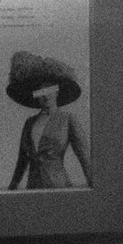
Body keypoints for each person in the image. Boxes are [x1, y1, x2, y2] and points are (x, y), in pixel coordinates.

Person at [6, 51, 90, 190]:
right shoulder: (29, 123)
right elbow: (22, 162)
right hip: (32, 189)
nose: (44, 96)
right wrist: (11, 190)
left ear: (56, 91)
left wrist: (93, 188)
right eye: (39, 92)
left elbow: (84, 157)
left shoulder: (68, 120)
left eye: (48, 91)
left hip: (59, 188)